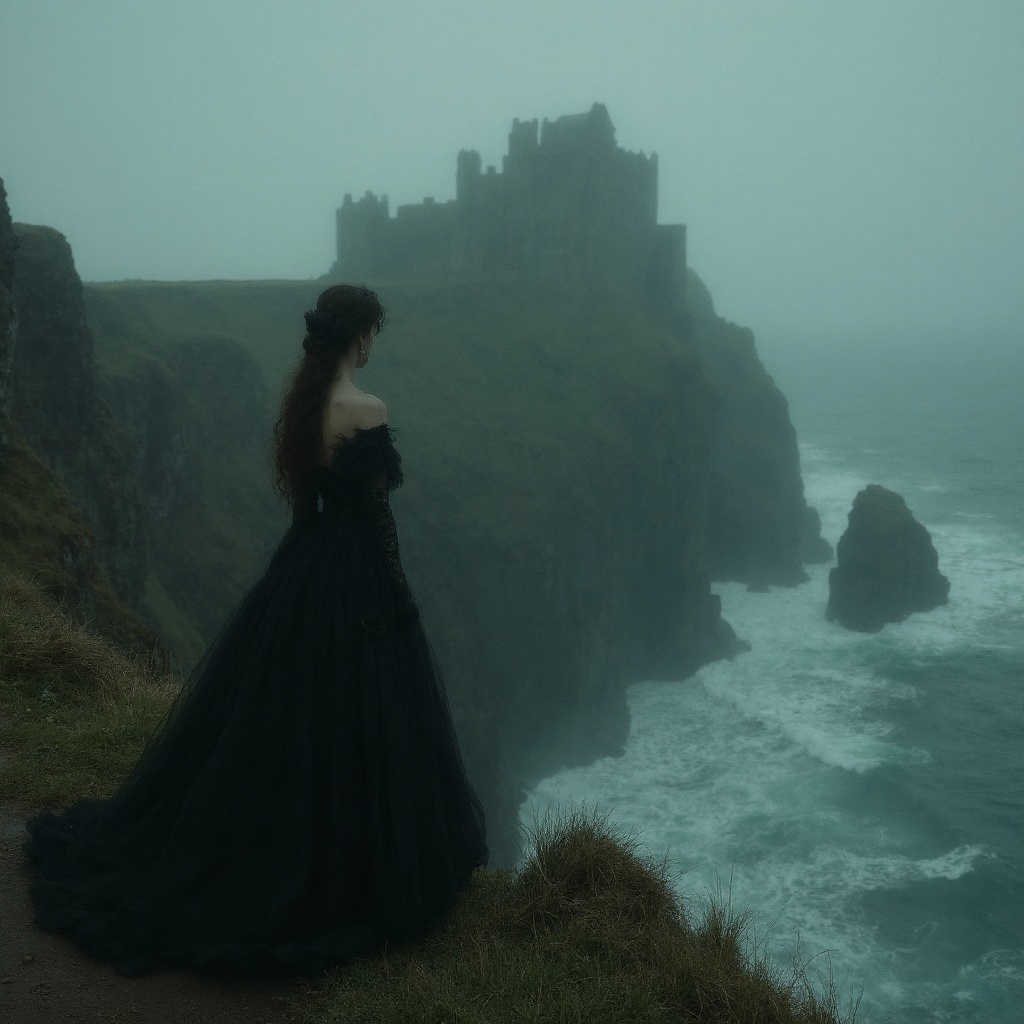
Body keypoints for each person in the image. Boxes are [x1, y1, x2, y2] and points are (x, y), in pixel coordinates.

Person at [22, 283, 489, 978]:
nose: (373, 343)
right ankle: (353, 863)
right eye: (373, 332)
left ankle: (277, 848)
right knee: (362, 716)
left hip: (305, 567)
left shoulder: (301, 406)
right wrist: (400, 598)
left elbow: (307, 510)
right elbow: (379, 522)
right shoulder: (366, 409)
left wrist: (294, 577)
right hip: (356, 574)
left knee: (291, 719)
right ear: (360, 335)